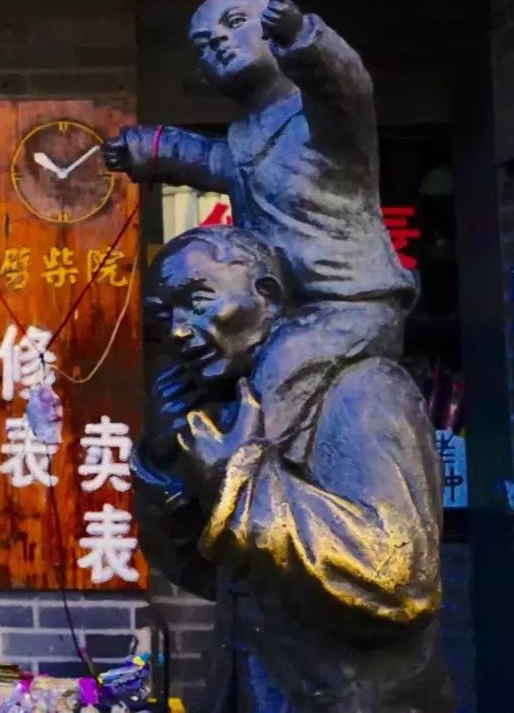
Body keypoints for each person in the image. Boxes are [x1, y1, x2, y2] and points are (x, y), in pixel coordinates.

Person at [133, 225, 452, 712]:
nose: (177, 330)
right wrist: (165, 462)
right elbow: (209, 576)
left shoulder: (366, 390)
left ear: (268, 294)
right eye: (164, 319)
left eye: (197, 302)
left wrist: (238, 486)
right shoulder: (240, 412)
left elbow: (401, 580)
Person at [104, 0, 414, 312]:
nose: (218, 39)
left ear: (272, 29)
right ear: (204, 76)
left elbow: (344, 86)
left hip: (351, 302)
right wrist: (148, 147)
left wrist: (300, 35)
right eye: (203, 45)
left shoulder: (324, 119)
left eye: (235, 22)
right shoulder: (242, 139)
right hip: (278, 305)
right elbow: (207, 159)